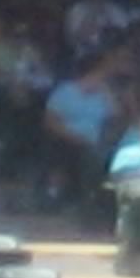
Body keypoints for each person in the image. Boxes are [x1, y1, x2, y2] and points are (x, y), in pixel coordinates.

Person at [43, 53, 116, 208]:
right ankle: (54, 195)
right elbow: (50, 122)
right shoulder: (65, 92)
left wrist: (107, 93)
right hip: (67, 138)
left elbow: (115, 117)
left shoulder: (102, 95)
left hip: (96, 140)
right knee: (62, 153)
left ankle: (91, 199)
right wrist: (75, 137)